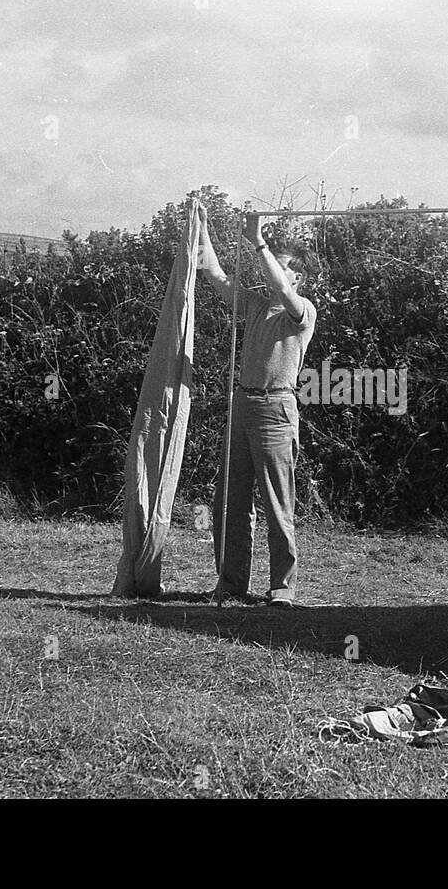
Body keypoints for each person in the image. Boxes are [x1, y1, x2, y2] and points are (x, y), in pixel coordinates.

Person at [195, 205, 318, 608]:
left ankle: (282, 586)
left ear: (297, 277)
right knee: (230, 500)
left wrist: (258, 240)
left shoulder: (301, 311)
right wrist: (203, 228)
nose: (272, 276)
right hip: (242, 404)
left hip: (276, 409)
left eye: (282, 269)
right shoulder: (253, 304)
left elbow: (282, 290)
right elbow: (213, 275)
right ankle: (231, 584)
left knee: (277, 502)